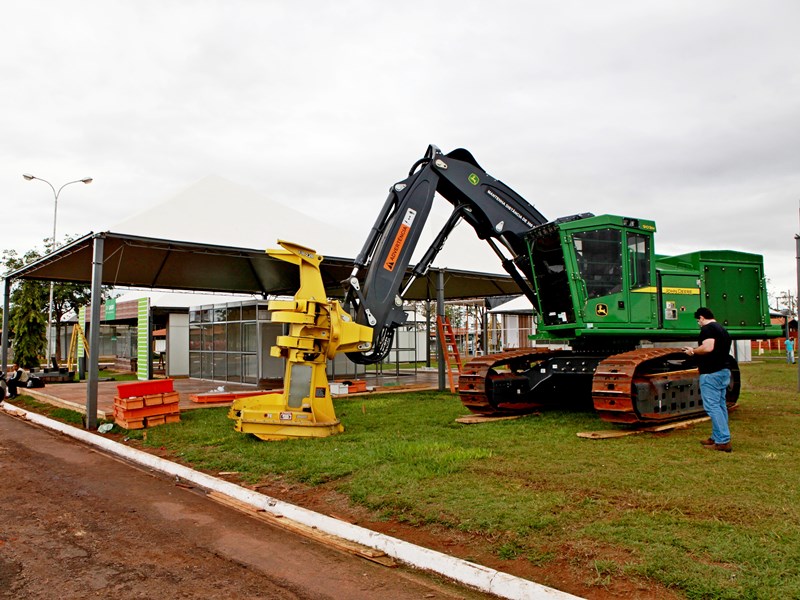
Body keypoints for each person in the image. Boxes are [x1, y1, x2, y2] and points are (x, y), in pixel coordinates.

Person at [683, 307, 732, 453]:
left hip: (711, 373)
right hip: (723, 371)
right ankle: (717, 437)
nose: (698, 323)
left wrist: (692, 351)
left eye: (698, 320)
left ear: (702, 317)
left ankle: (723, 441)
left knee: (712, 407)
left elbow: (708, 347)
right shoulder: (722, 329)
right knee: (720, 405)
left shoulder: (708, 329)